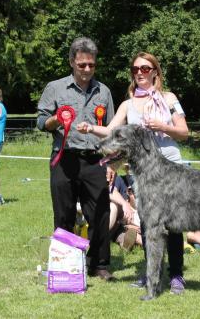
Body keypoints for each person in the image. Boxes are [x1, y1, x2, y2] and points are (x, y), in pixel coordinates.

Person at [77, 51, 189, 294]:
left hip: (170, 166)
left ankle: (177, 275)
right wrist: (89, 128)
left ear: (155, 72)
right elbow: (112, 131)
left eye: (145, 68)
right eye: (136, 69)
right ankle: (152, 274)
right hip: (143, 172)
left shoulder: (168, 98)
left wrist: (162, 126)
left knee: (174, 224)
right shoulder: (128, 104)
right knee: (149, 223)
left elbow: (184, 131)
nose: (140, 72)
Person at [37, 37, 116, 281]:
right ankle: (65, 265)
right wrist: (56, 120)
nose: (87, 70)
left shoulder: (103, 91)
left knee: (101, 214)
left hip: (94, 161)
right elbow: (41, 121)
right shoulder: (55, 88)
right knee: (64, 214)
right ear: (72, 62)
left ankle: (99, 265)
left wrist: (112, 162)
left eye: (91, 65)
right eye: (82, 65)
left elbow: (112, 130)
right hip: (64, 159)